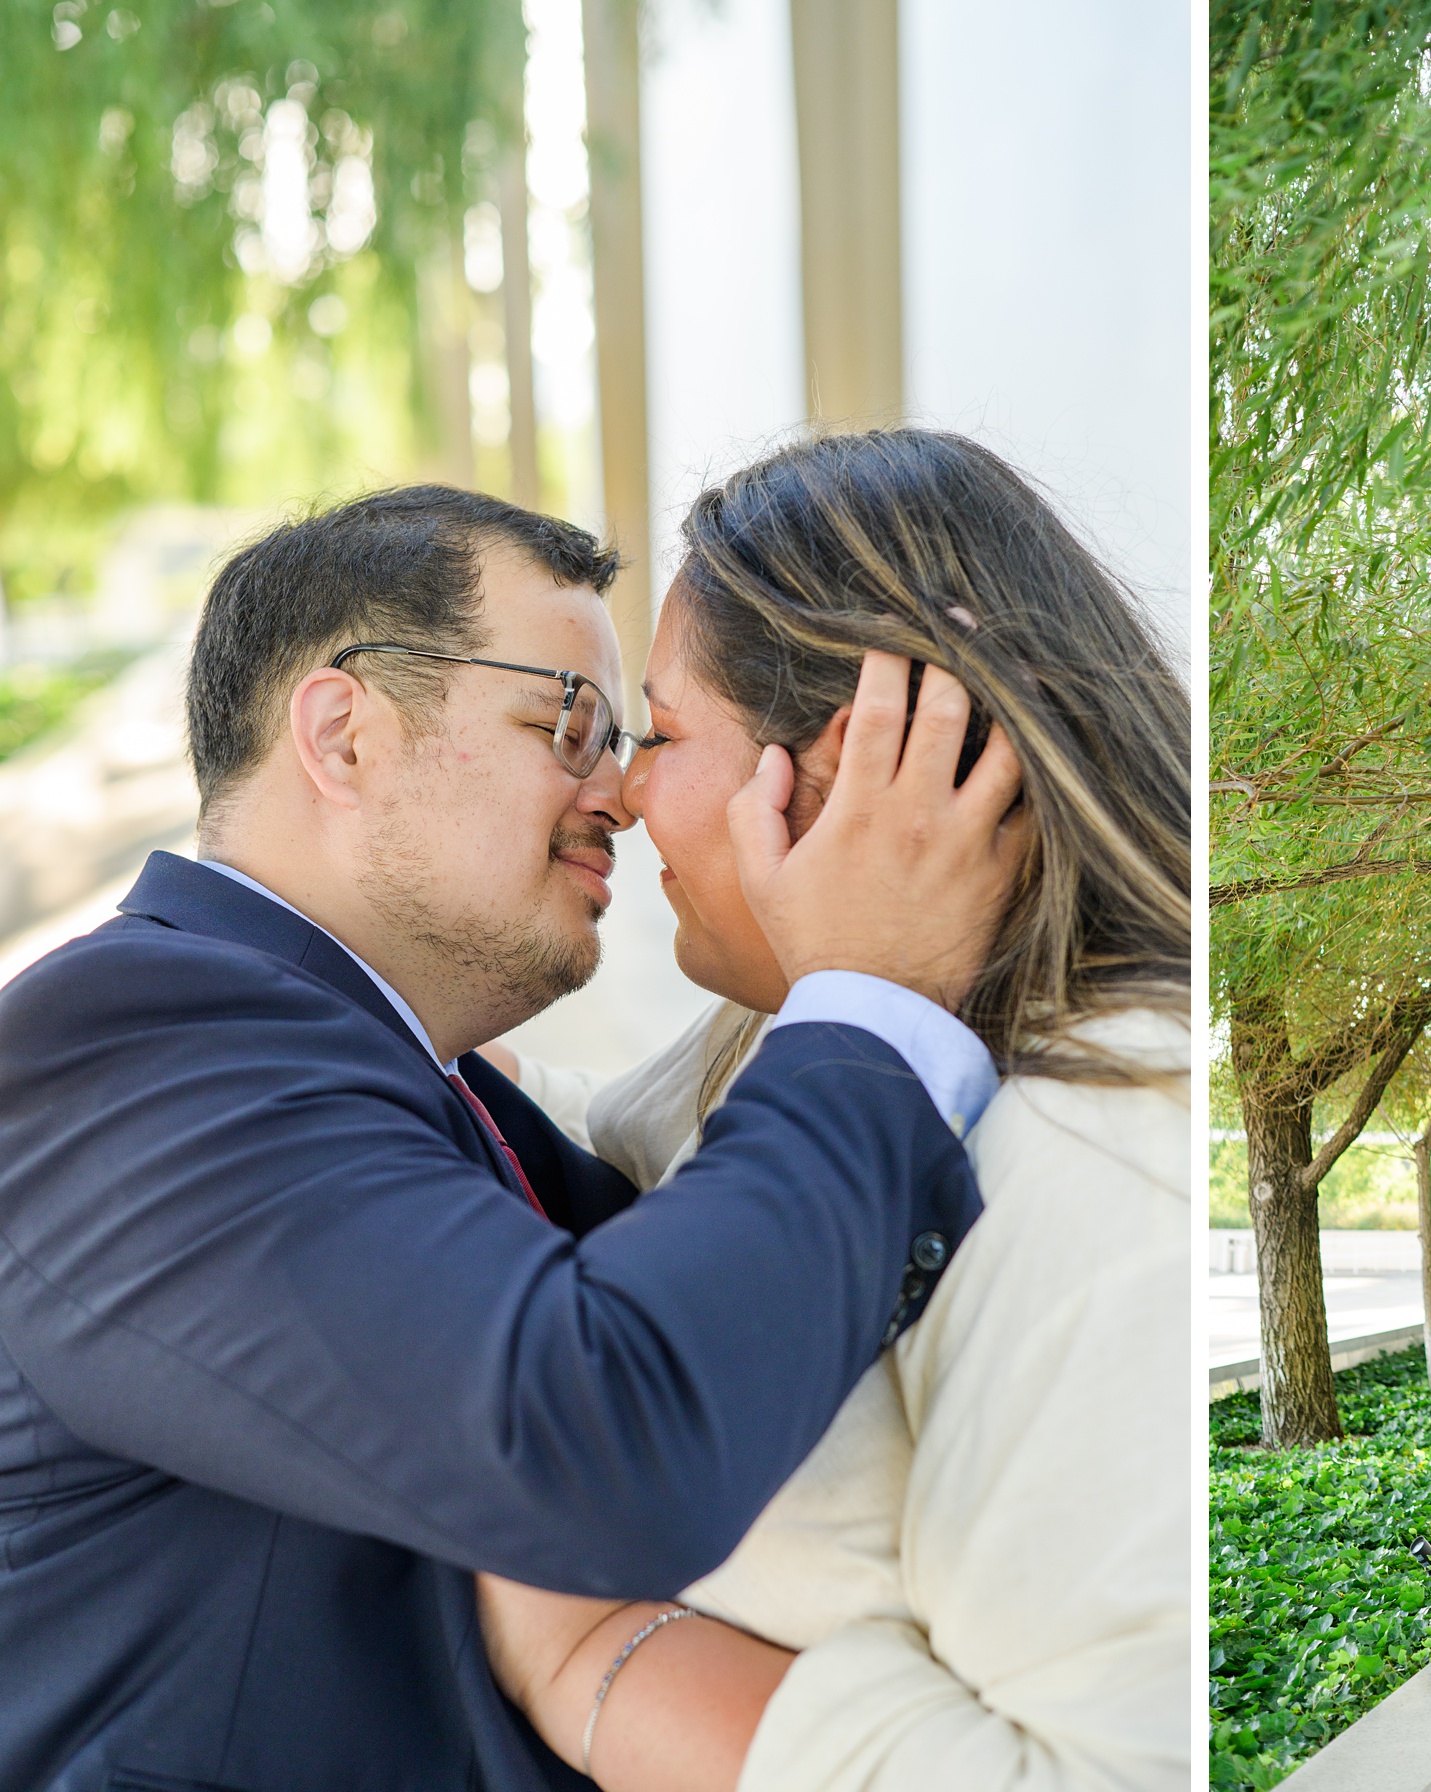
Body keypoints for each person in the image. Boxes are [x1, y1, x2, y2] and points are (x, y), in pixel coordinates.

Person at [0, 485, 1025, 1791]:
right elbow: (606, 1434)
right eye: (570, 723)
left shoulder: (382, 1072)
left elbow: (725, 1301)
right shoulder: (121, 1046)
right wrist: (870, 1002)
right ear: (343, 733)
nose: (623, 793)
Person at [469, 430, 1190, 1791]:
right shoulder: (822, 1021)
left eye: (665, 736)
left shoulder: (1107, 1139)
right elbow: (607, 1150)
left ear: (862, 763)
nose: (620, 793)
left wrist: (582, 1647)